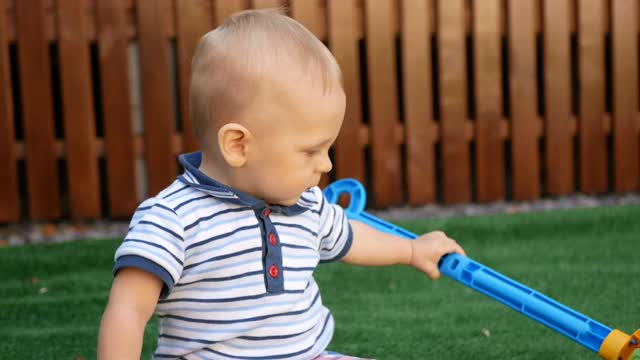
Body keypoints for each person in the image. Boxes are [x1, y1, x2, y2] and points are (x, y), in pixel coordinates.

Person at [97, 9, 466, 360]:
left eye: (327, 148)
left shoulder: (306, 204)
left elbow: (352, 236)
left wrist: (412, 250)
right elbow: (128, 309)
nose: (326, 164)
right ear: (238, 145)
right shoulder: (174, 219)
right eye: (311, 151)